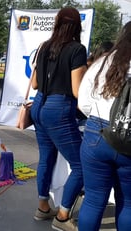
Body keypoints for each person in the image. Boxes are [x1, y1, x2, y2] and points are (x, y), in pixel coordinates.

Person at [29, 7, 87, 231]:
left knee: (46, 158)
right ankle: (62, 216)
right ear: (76, 26)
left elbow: (34, 84)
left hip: (39, 105)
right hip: (58, 109)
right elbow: (76, 90)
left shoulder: (44, 46)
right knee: (81, 165)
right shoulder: (77, 49)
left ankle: (43, 207)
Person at [77, 22, 131, 231]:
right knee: (127, 203)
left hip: (96, 133)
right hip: (128, 140)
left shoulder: (103, 62)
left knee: (93, 200)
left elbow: (83, 103)